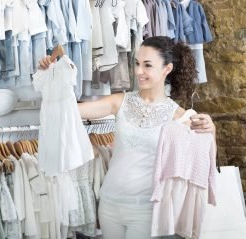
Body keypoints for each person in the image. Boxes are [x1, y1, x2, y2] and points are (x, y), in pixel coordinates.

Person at [38, 36, 216, 239]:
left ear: (167, 68)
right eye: (137, 63)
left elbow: (206, 160)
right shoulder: (120, 101)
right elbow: (67, 110)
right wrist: (51, 76)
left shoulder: (181, 117)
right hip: (109, 205)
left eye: (147, 65)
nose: (139, 71)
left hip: (146, 210)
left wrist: (211, 129)